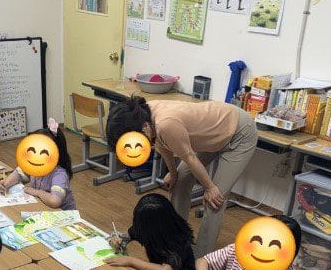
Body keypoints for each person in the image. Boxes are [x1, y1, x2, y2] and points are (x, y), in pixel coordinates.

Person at [107, 96, 257, 258]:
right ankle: (177, 239)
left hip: (238, 133)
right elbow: (163, 145)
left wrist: (210, 187)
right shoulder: (144, 118)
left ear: (145, 127)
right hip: (212, 136)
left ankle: (201, 259)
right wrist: (173, 173)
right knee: (179, 182)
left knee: (215, 199)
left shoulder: (164, 123)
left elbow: (189, 157)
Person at [106, 193, 199, 270]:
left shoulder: (178, 239)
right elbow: (124, 237)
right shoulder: (147, 228)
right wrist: (117, 240)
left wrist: (131, 261)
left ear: (154, 228)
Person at [0, 119, 76, 210]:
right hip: (44, 208)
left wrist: (37, 192)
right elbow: (19, 174)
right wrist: (6, 183)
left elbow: (54, 201)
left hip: (63, 214)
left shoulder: (59, 174)